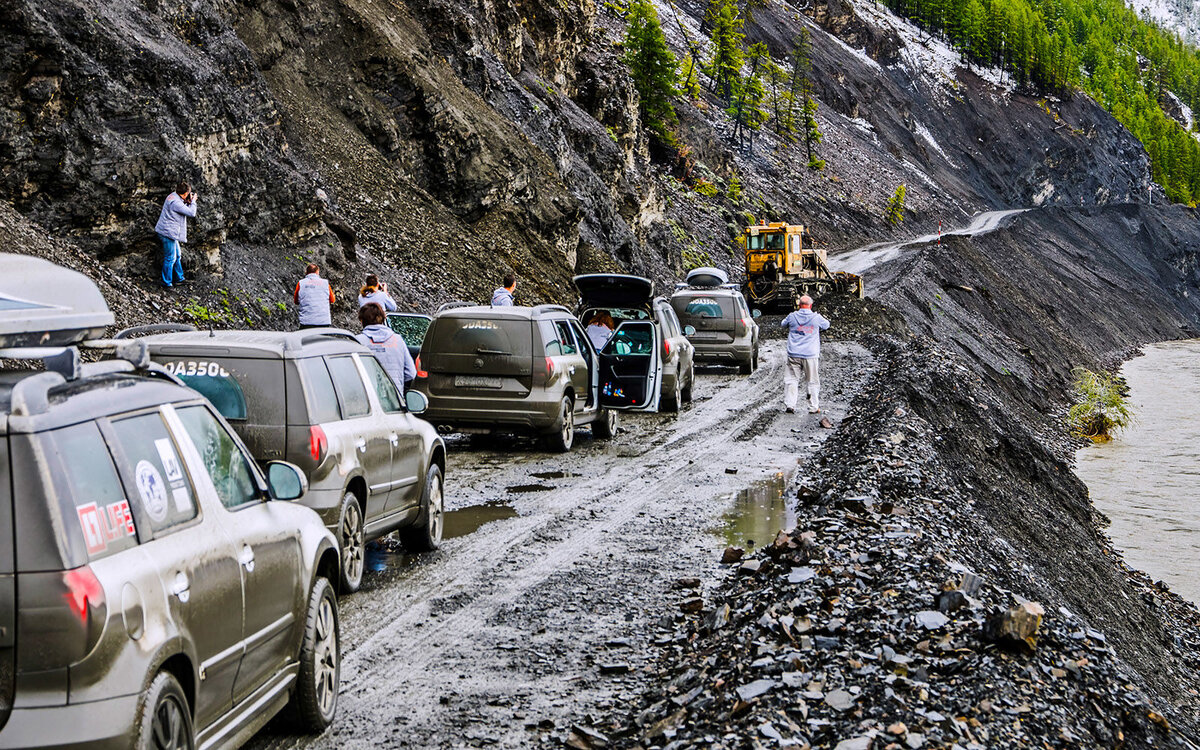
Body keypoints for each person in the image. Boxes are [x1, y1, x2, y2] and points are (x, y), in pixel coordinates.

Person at [780, 295, 830, 414]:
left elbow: (783, 324)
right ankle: (813, 407)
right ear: (811, 305)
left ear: (799, 305)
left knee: (791, 379)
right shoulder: (816, 318)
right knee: (812, 381)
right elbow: (827, 325)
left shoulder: (792, 317)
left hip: (794, 354)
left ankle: (790, 405)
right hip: (810, 355)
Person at [357, 302, 416, 395]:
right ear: (384, 318)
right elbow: (411, 374)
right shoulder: (398, 340)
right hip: (395, 399)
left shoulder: (358, 342)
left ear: (361, 320)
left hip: (368, 398)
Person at [153, 181, 198, 288]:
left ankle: (179, 278)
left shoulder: (173, 196)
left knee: (177, 256)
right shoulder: (175, 203)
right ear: (185, 193)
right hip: (168, 233)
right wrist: (193, 202)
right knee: (170, 258)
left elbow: (181, 206)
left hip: (169, 232)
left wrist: (187, 201)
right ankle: (166, 283)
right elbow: (192, 213)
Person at [294, 263, 336, 328]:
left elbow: (296, 301)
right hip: (323, 321)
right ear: (317, 272)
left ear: (306, 272)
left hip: (306, 321)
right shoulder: (325, 283)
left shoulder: (301, 283)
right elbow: (332, 300)